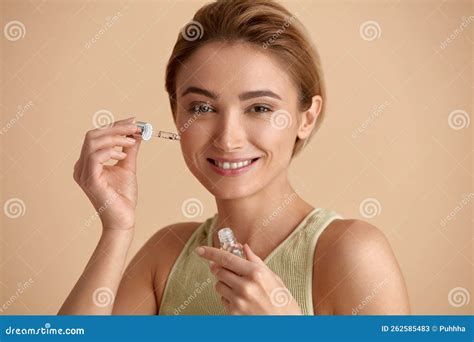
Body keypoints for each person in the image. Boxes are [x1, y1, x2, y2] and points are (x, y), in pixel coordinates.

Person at [59, 0, 410, 315]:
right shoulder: (166, 255)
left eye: (259, 107)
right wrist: (116, 228)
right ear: (177, 114)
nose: (227, 139)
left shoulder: (350, 255)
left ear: (307, 117)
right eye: (202, 108)